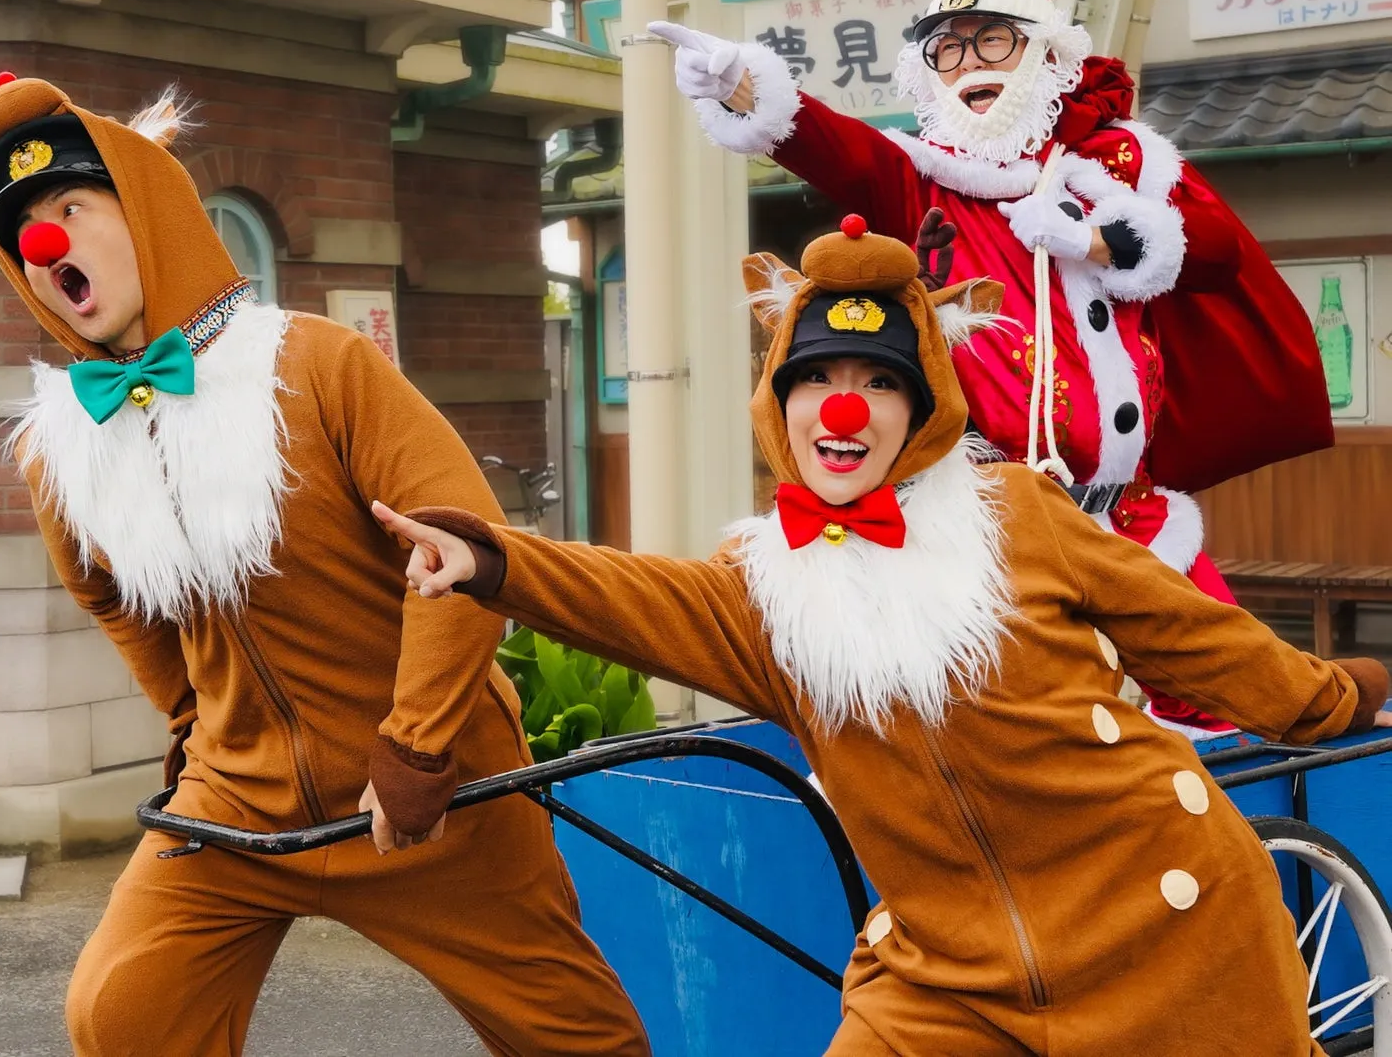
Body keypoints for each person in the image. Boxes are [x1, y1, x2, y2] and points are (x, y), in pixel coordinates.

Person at [374, 216, 1391, 1056]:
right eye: (817, 378)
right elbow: (629, 592)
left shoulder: (1016, 514)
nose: (845, 408)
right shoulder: (763, 593)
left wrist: (1331, 700)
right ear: (780, 402)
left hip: (1159, 919)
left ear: (923, 407)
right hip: (950, 973)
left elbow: (1190, 633)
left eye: (879, 380)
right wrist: (491, 559)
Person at [0, 74, 647, 1057]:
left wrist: (415, 750)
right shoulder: (62, 447)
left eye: (72, 207)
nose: (43, 242)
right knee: (124, 1011)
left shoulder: (318, 365)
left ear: (146, 209)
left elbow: (461, 546)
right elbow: (108, 595)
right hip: (237, 798)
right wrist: (190, 717)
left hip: (436, 788)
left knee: (575, 1038)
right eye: (23, 228)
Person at [649, 0, 1331, 736]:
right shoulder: (922, 181)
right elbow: (833, 146)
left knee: (1242, 701)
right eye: (948, 49)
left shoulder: (1118, 166)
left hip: (1130, 518)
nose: (969, 63)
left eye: (992, 42)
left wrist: (1095, 237)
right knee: (1006, 731)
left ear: (1044, 54)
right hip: (990, 530)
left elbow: (1216, 249)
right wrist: (742, 88)